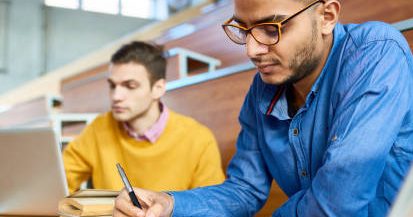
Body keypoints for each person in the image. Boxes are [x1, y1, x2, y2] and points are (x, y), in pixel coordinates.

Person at [113, 0, 413, 216]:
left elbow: (338, 200)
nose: (251, 50)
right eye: (244, 30)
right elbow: (245, 190)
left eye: (271, 29)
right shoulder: (261, 92)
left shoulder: (376, 52)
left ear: (327, 16)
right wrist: (168, 204)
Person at [63, 41, 225, 194]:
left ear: (158, 88)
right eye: (113, 86)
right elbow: (60, 183)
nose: (116, 96)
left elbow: (211, 206)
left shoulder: (198, 139)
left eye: (130, 86)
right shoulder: (99, 128)